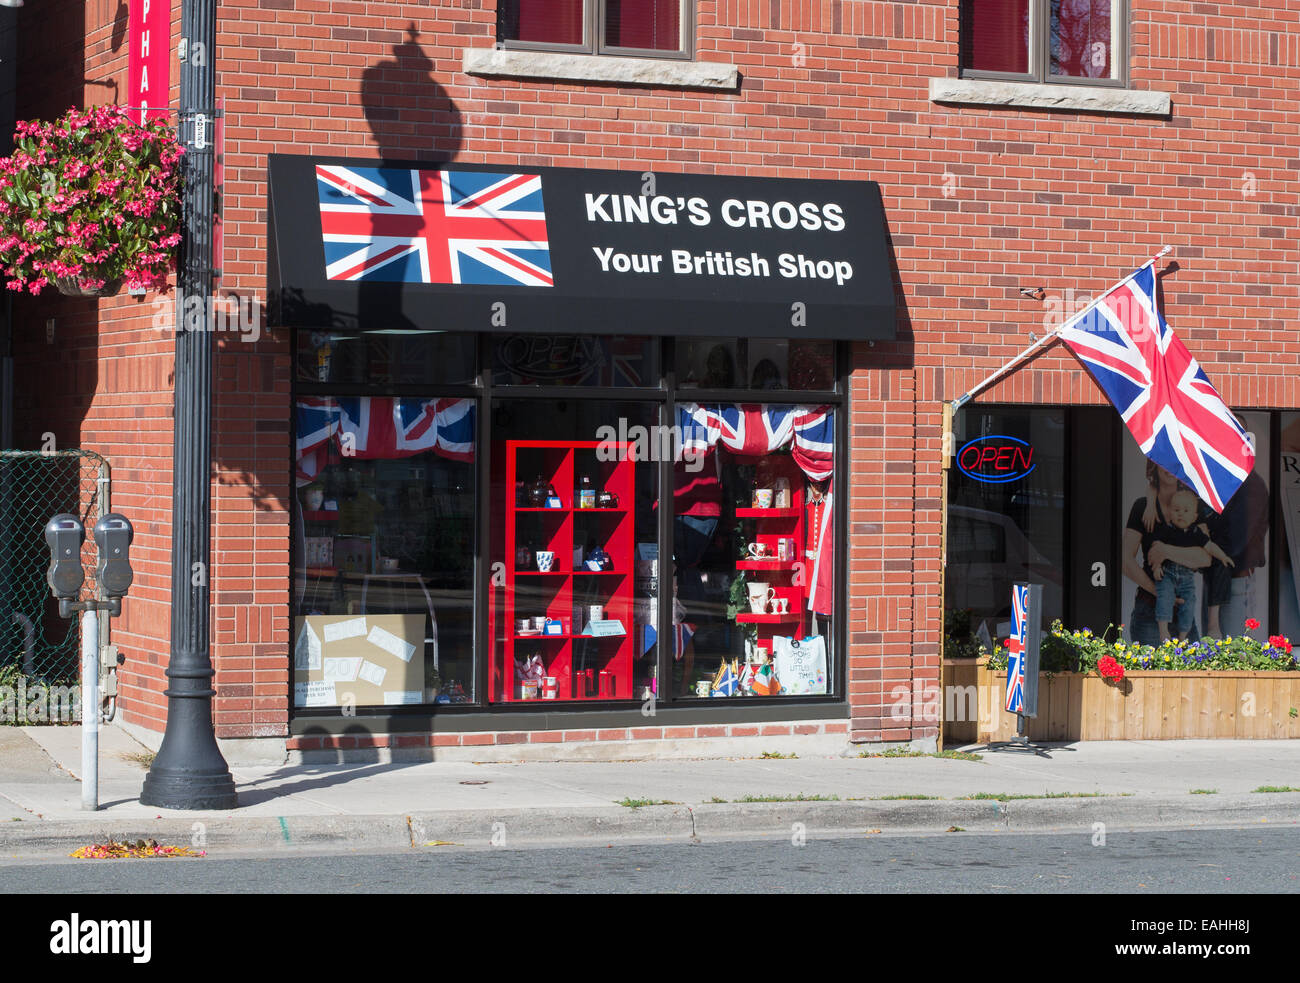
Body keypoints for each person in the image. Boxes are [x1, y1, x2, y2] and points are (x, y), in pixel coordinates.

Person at [1123, 462, 1212, 646]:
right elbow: (1125, 560)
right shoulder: (1143, 506)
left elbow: (1204, 558)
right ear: (1153, 466)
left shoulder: (1194, 506)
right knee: (1151, 675)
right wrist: (1162, 594)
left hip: (1184, 612)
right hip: (1149, 609)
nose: (1169, 467)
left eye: (1176, 462)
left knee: (1191, 674)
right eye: (1164, 461)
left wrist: (1165, 551)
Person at [1152, 489, 1234, 642]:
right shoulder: (1166, 530)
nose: (1180, 514)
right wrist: (1156, 567)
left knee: (1190, 604)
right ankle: (1163, 631)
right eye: (1176, 510)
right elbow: (1156, 549)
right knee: (1165, 598)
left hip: (1186, 577)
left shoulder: (1195, 532)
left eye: (1185, 511)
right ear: (1170, 512)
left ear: (1195, 516)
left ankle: (1183, 636)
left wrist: (1223, 556)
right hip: (1167, 573)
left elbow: (1209, 546)